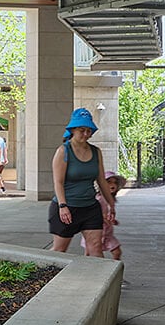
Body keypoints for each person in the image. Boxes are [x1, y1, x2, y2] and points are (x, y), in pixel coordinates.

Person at [49, 109, 119, 255]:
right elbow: (58, 182)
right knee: (59, 250)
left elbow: (101, 180)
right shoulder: (63, 151)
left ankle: (98, 278)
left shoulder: (96, 151)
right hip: (67, 207)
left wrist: (111, 205)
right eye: (82, 130)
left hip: (89, 207)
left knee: (96, 248)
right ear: (73, 130)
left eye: (89, 131)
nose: (86, 134)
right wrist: (63, 206)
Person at [84, 172, 126, 260]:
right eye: (109, 182)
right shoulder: (98, 199)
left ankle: (113, 269)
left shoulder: (110, 200)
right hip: (95, 232)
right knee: (89, 253)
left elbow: (108, 214)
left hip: (107, 234)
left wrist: (111, 220)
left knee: (117, 252)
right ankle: (85, 270)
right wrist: (103, 218)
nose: (113, 185)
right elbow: (92, 213)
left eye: (115, 182)